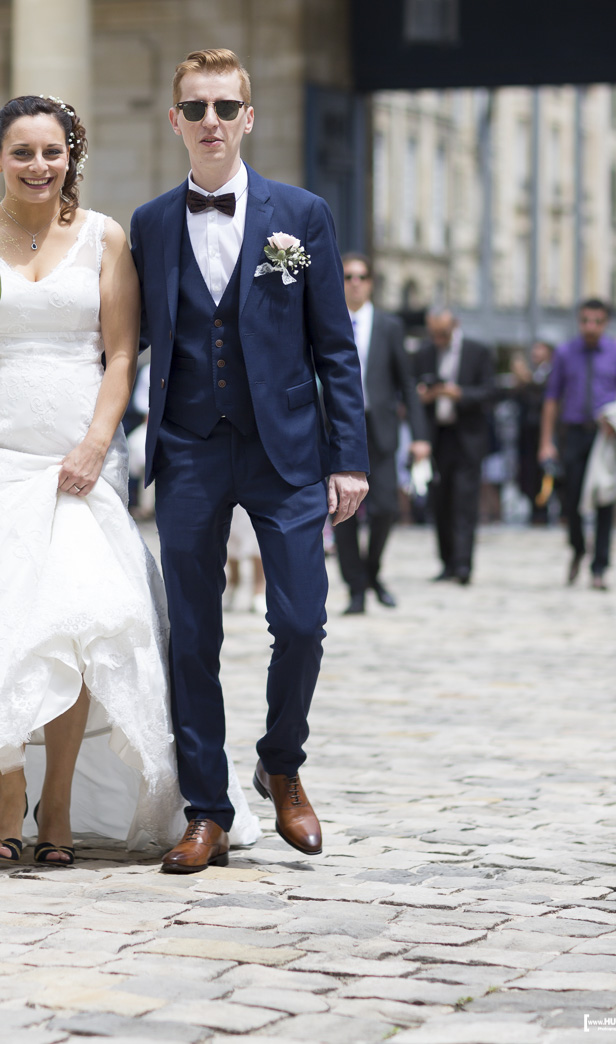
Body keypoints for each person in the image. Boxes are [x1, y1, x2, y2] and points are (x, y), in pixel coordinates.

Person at [0, 95, 254, 866]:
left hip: (80, 451)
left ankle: (56, 799)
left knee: (78, 617)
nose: (38, 165)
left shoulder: (104, 238)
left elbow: (120, 357)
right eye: (22, 152)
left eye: (52, 152)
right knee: (0, 618)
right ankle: (8, 782)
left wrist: (95, 443)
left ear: (70, 157)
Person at [131, 48, 369, 875]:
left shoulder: (301, 213)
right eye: (196, 108)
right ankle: (208, 811)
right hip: (189, 449)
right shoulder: (150, 224)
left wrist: (349, 458)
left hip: (288, 451)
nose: (211, 122)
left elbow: (335, 347)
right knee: (192, 635)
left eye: (225, 107)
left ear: (248, 118)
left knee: (301, 622)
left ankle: (282, 762)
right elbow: (121, 338)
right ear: (175, 120)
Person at [334, 252, 430, 614]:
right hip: (339, 429)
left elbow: (407, 384)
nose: (355, 283)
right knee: (343, 511)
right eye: (348, 277)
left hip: (381, 429)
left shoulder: (390, 326)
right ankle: (356, 589)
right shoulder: (328, 319)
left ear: (371, 283)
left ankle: (371, 572)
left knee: (387, 507)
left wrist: (420, 436)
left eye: (361, 277)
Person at [539, 298, 616, 588]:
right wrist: (546, 442)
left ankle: (599, 567)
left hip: (605, 437)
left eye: (597, 321)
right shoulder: (565, 353)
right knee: (570, 499)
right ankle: (579, 547)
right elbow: (551, 399)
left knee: (605, 499)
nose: (590, 327)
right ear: (579, 321)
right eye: (585, 321)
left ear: (605, 323)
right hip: (573, 434)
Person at [415, 310, 496, 585]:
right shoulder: (425, 353)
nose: (438, 338)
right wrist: (424, 395)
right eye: (433, 333)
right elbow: (413, 391)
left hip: (467, 437)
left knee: (464, 502)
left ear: (455, 326)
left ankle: (463, 564)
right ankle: (447, 562)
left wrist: (458, 393)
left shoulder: (477, 351)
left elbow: (490, 391)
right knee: (440, 502)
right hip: (436, 437)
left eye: (443, 333)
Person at [511, 341, 554, 525]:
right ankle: (535, 509)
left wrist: (527, 380)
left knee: (544, 472)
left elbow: (546, 398)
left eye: (540, 349)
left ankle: (543, 510)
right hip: (527, 433)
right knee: (528, 473)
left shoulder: (550, 373)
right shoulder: (534, 373)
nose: (535, 352)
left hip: (542, 432)